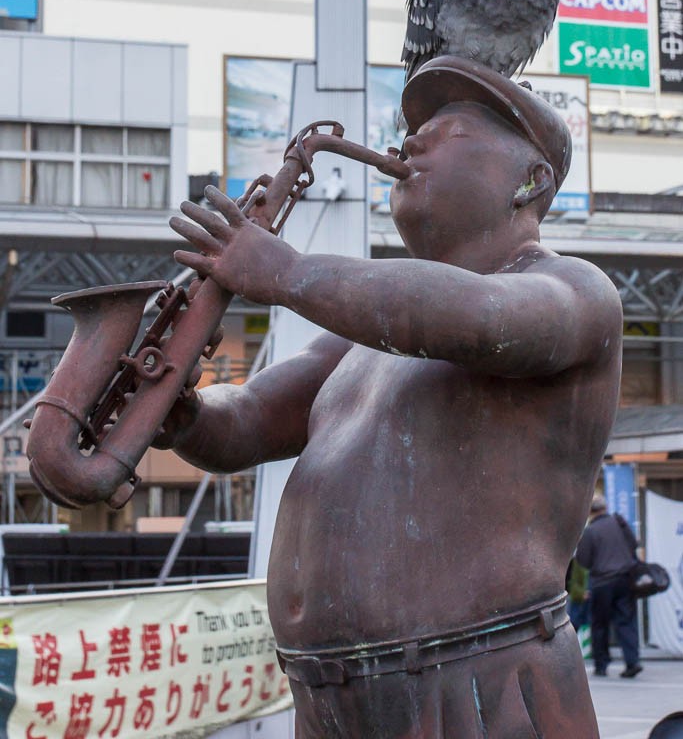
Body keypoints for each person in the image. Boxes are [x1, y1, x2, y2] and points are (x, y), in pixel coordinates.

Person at [163, 55, 623, 738]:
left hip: (482, 687)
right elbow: (245, 423)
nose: (409, 142)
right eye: (414, 128)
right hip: (329, 699)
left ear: (529, 181)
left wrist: (288, 273)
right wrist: (178, 409)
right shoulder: (358, 343)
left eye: (451, 130)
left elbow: (483, 320)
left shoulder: (573, 289)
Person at [576, 494, 641, 679]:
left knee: (600, 625)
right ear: (605, 507)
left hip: (602, 583)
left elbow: (583, 560)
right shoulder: (619, 523)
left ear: (590, 511)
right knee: (626, 621)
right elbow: (634, 544)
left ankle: (602, 665)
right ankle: (632, 662)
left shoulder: (590, 531)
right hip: (624, 579)